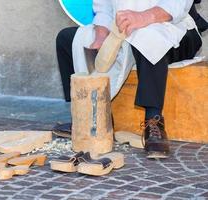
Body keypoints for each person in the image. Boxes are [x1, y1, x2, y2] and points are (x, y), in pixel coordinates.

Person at [56, 0, 203, 158]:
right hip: (124, 29)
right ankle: (92, 117)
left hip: (174, 27)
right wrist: (101, 35)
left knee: (148, 39)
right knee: (68, 39)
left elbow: (177, 5)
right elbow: (104, 7)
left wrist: (142, 17)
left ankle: (154, 122)